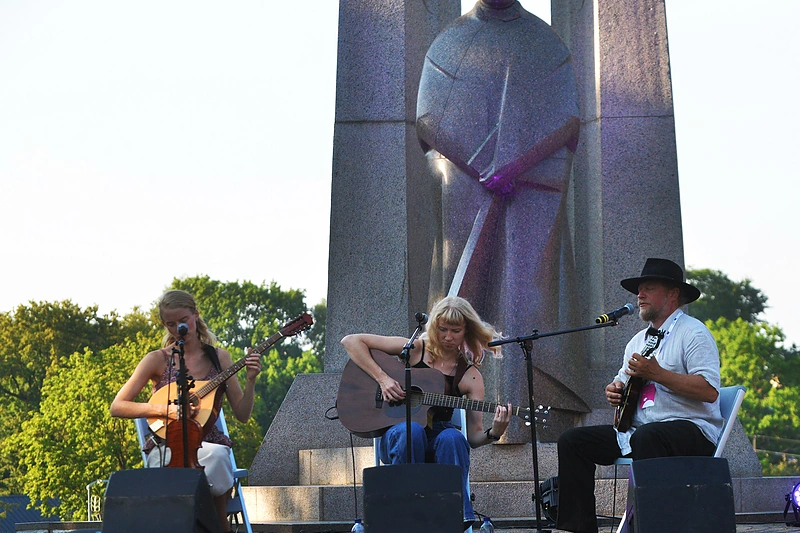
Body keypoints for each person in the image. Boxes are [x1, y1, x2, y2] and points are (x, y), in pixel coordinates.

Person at [556, 258, 724, 533]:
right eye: (638, 290)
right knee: (573, 440)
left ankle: (649, 527)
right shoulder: (637, 341)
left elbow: (708, 391)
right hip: (641, 431)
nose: (639, 296)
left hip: (692, 429)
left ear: (672, 294)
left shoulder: (694, 333)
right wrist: (615, 391)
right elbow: (622, 383)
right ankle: (579, 528)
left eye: (648, 288)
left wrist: (658, 374)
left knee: (648, 436)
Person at [341, 296, 512, 527]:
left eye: (455, 330)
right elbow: (351, 341)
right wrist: (383, 379)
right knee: (412, 430)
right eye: (442, 329)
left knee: (453, 437)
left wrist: (495, 432)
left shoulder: (469, 375)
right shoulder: (414, 350)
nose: (448, 337)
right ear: (433, 327)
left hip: (438, 440)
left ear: (467, 331)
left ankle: (457, 517)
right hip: (398, 435)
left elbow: (473, 437)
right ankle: (404, 511)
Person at [110, 290, 262, 533]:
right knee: (206, 464)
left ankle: (208, 526)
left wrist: (251, 381)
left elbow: (242, 415)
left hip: (208, 444)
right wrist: (164, 410)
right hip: (167, 443)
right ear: (164, 324)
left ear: (195, 315)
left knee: (217, 456)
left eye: (183, 321)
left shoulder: (219, 358)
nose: (178, 328)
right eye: (170, 324)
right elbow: (117, 406)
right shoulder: (156, 359)